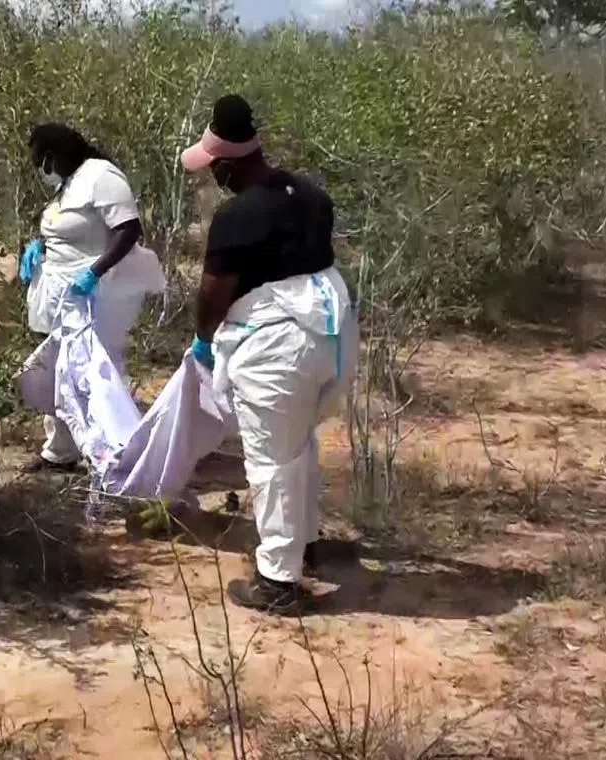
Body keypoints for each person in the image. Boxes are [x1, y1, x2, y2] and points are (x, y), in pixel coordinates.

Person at [180, 95, 359, 613]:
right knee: (297, 444)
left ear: (226, 165)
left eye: (213, 167)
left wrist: (203, 337)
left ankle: (278, 580)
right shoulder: (312, 196)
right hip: (333, 334)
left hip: (279, 346)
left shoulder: (236, 217)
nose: (212, 175)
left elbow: (214, 291)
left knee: (271, 460)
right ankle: (305, 542)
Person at [18, 123, 164, 473]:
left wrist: (93, 273)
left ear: (55, 155)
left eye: (42, 162)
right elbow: (70, 229)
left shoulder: (101, 176)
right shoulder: (69, 183)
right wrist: (41, 246)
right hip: (58, 290)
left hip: (92, 293)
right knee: (58, 368)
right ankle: (61, 450)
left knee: (93, 371)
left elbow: (128, 229)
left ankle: (115, 453)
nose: (41, 170)